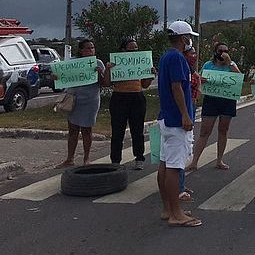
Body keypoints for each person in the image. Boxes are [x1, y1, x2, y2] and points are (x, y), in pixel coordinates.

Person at [157, 20, 201, 227]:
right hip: (176, 120)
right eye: (189, 37)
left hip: (166, 117)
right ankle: (176, 214)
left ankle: (168, 208)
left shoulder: (167, 56)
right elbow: (177, 88)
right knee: (175, 167)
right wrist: (185, 115)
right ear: (184, 38)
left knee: (165, 164)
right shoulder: (177, 58)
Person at [187, 42, 241, 171]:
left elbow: (239, 77)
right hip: (211, 100)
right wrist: (202, 80)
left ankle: (219, 160)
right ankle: (194, 161)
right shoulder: (208, 65)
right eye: (221, 50)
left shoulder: (231, 65)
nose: (223, 53)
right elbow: (198, 78)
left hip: (227, 100)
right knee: (205, 131)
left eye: (226, 50)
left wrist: (230, 63)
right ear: (215, 52)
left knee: (223, 130)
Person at [103, 38, 155, 170]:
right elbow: (107, 83)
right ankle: (115, 160)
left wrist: (150, 74)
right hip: (119, 98)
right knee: (117, 131)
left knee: (137, 131)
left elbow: (145, 85)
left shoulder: (140, 63)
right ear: (123, 50)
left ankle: (139, 158)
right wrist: (108, 69)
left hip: (137, 97)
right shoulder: (116, 63)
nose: (134, 52)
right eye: (130, 49)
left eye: (136, 49)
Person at [55, 39, 105, 168]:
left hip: (90, 102)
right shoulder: (72, 63)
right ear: (81, 50)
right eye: (87, 48)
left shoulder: (97, 63)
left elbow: (104, 83)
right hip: (74, 101)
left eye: (92, 48)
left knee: (87, 131)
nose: (90, 51)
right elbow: (62, 77)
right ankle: (70, 158)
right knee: (73, 130)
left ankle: (86, 158)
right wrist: (55, 76)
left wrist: (100, 73)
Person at [178, 45, 199, 202]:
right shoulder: (181, 67)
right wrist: (185, 115)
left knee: (183, 152)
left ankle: (181, 184)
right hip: (183, 112)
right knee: (177, 156)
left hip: (191, 107)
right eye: (191, 53)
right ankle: (177, 189)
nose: (194, 55)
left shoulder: (190, 69)